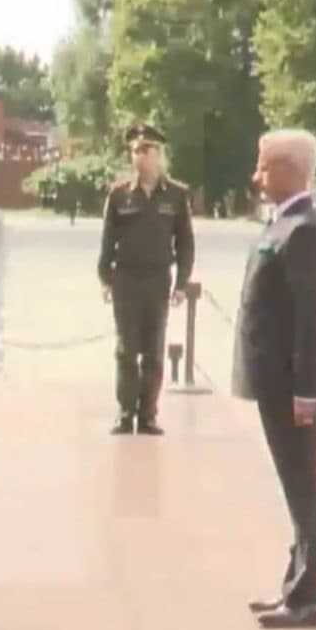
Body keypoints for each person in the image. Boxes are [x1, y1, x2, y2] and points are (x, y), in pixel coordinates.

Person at [233, 128, 316, 629]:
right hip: (274, 380)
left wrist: (308, 392)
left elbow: (312, 320)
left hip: (292, 386)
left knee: (303, 485)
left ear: (292, 169)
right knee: (294, 486)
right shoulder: (282, 224)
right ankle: (296, 580)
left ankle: (309, 593)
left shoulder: (307, 230)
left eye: (264, 165)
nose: (256, 176)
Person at [97, 122, 195, 435]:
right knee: (127, 349)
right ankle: (126, 413)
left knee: (153, 349)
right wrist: (105, 277)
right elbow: (107, 240)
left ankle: (148, 414)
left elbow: (185, 243)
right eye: (136, 151)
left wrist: (181, 283)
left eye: (146, 151)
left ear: (158, 155)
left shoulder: (176, 196)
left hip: (157, 280)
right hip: (126, 279)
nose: (140, 157)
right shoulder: (119, 194)